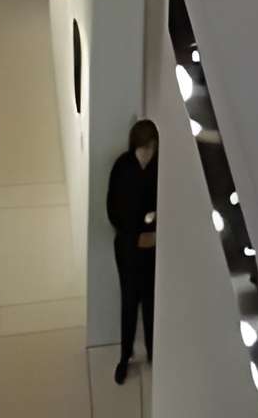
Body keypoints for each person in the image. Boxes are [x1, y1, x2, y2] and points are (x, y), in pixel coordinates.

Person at [107, 117, 158, 384]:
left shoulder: (158, 169)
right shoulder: (122, 167)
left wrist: (151, 227)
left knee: (150, 302)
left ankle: (152, 351)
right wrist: (140, 231)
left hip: (150, 250)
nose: (149, 153)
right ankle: (125, 355)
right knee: (129, 303)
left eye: (151, 147)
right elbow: (113, 211)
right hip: (128, 249)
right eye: (145, 147)